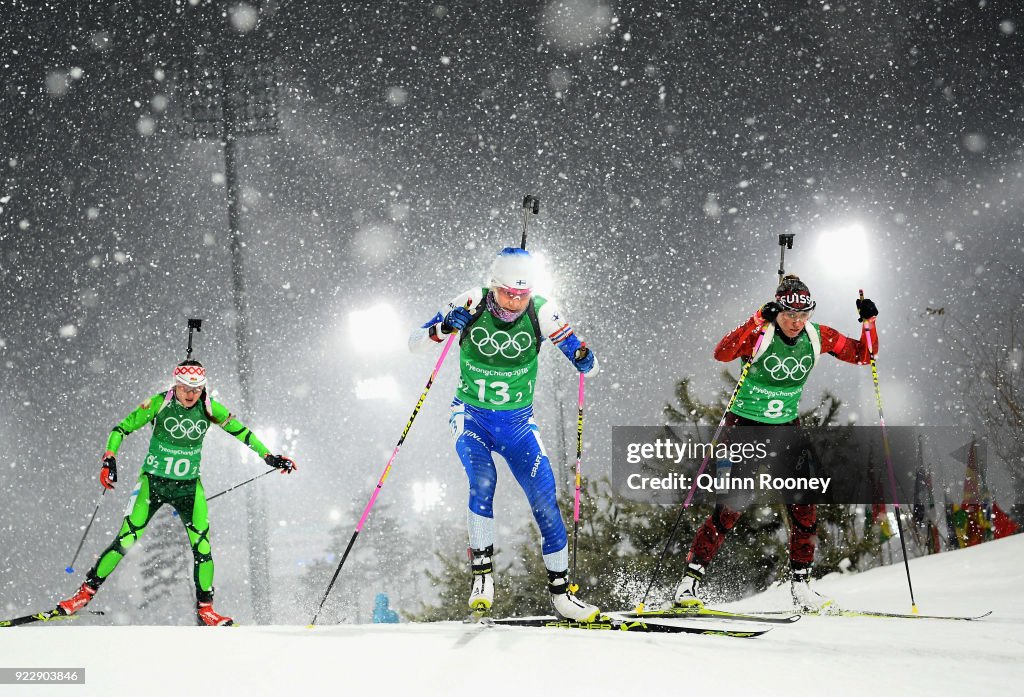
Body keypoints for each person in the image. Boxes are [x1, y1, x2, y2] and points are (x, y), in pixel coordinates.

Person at [409, 247, 600, 621]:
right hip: (472, 418)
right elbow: (414, 342)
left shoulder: (542, 311)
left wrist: (584, 359)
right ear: (493, 285)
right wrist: (444, 326)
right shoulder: (471, 300)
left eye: (521, 294)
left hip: (517, 425)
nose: (514, 302)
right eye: (507, 293)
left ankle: (562, 595)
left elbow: (589, 366)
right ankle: (482, 577)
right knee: (483, 480)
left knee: (544, 497)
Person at [674, 275, 879, 613]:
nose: (797, 323)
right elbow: (722, 353)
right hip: (746, 425)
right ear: (777, 310)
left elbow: (863, 355)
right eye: (789, 315)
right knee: (731, 509)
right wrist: (756, 319)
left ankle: (801, 588)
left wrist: (868, 323)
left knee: (804, 508)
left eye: (803, 315)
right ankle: (688, 584)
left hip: (786, 427)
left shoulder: (817, 336)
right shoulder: (761, 332)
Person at [57, 359, 296, 626]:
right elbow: (120, 429)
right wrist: (109, 458)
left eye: (197, 389)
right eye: (185, 388)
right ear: (175, 384)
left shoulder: (209, 408)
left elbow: (242, 433)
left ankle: (207, 610)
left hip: (188, 489)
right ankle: (83, 595)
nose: (191, 395)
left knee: (202, 547)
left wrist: (270, 456)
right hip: (153, 484)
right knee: (125, 540)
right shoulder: (159, 403)